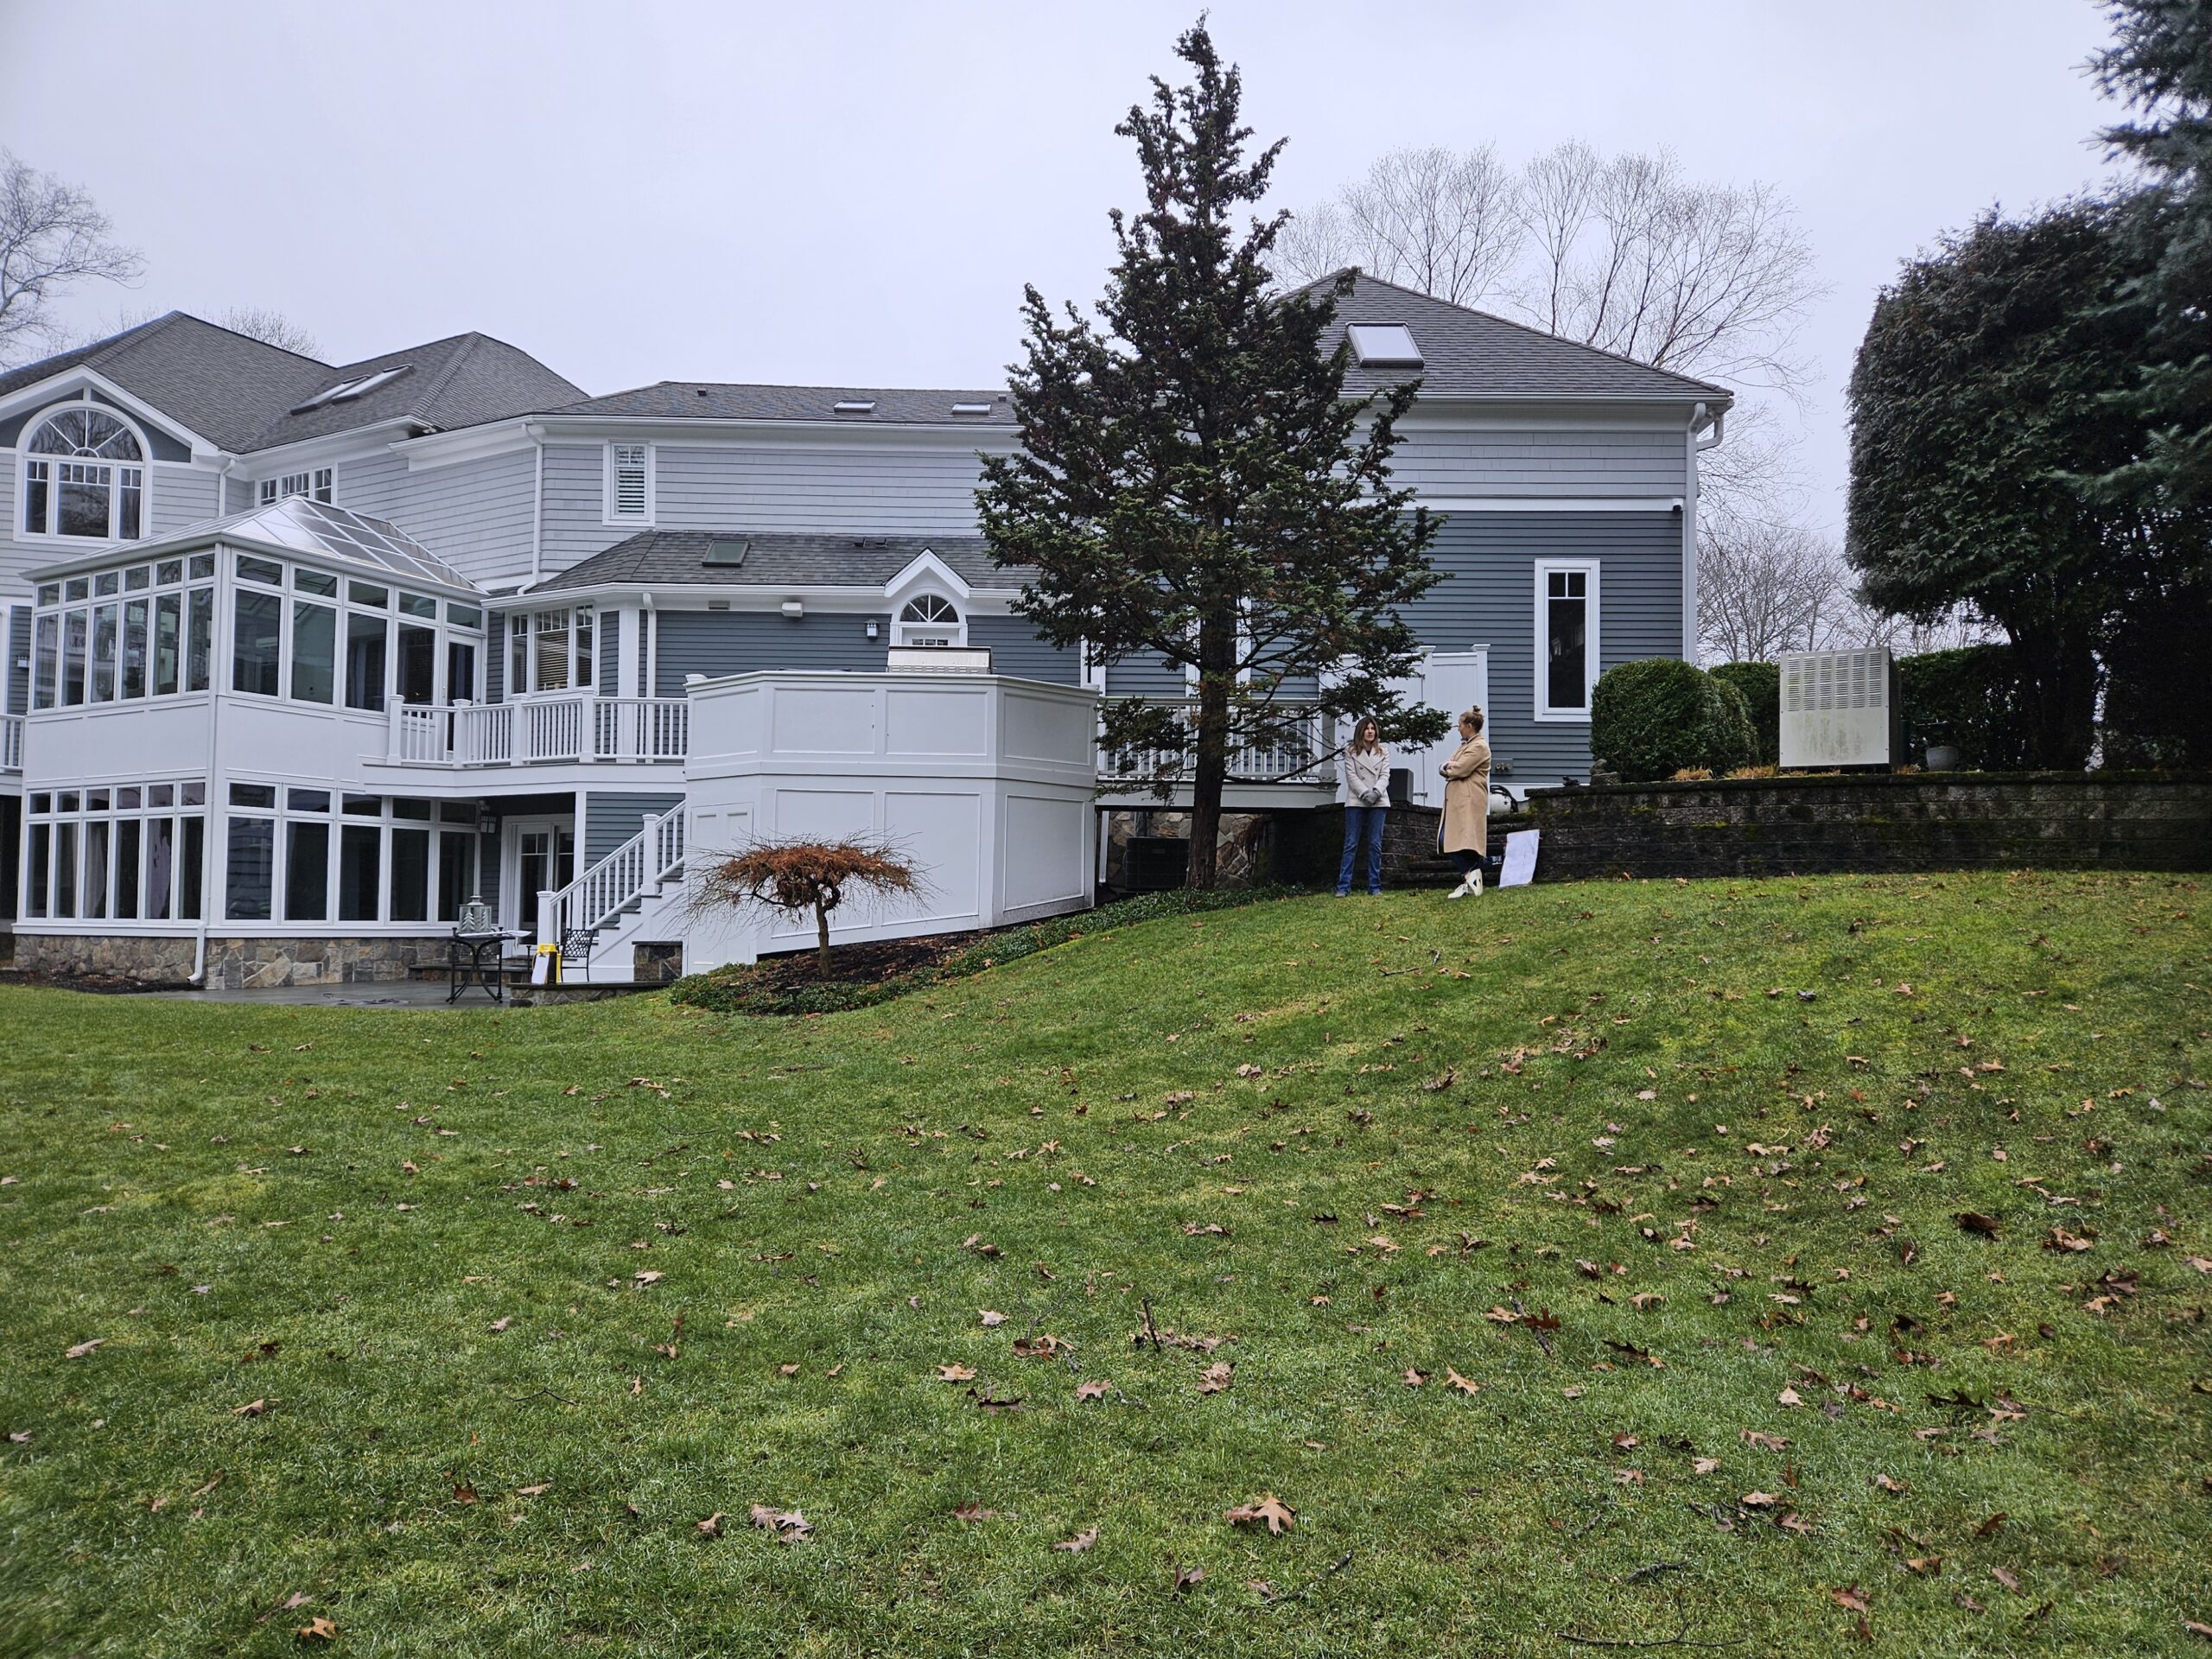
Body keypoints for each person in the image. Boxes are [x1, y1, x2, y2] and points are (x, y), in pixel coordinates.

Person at [1439, 706, 1491, 898]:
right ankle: (1471, 880)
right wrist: (1447, 766)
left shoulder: (1479, 746)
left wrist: (1449, 768)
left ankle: (1472, 877)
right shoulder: (1465, 745)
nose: (1458, 729)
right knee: (1454, 840)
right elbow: (1448, 764)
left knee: (1454, 840)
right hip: (1458, 800)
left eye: (1460, 725)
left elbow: (1459, 769)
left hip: (1469, 799)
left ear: (1469, 726)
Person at [1336, 715, 1390, 896]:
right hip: (1356, 800)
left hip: (1379, 800)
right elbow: (1351, 777)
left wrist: (1376, 792)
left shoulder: (1383, 752)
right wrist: (1365, 793)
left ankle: (1374, 886)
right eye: (1367, 728)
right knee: (1351, 843)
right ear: (1361, 731)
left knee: (1375, 844)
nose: (1370, 731)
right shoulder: (1350, 751)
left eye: (1373, 728)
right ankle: (1343, 886)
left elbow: (1385, 776)